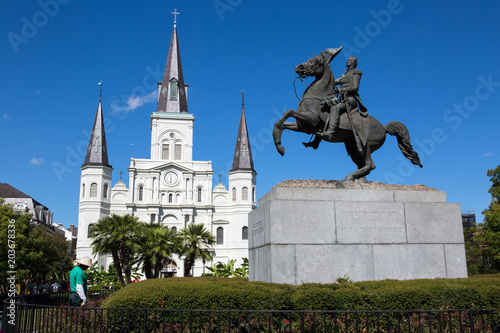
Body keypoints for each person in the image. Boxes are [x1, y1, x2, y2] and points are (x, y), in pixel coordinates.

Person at [316, 55, 368, 141]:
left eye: (350, 60)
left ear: (354, 63)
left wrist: (341, 89)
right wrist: (325, 71)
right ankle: (316, 140)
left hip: (350, 99)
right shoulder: (344, 75)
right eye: (348, 60)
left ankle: (330, 132)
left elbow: (355, 87)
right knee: (324, 107)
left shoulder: (356, 72)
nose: (347, 61)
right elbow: (333, 82)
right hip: (341, 98)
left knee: (335, 108)